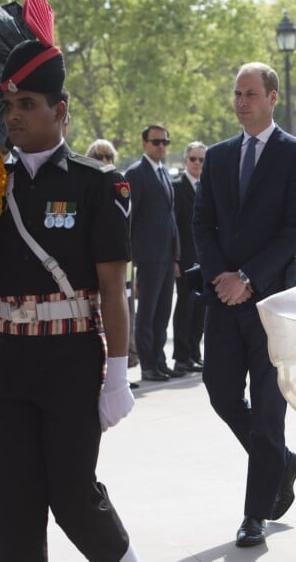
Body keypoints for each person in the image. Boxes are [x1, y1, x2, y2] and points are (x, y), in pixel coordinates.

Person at [0, 0, 139, 561]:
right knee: (9, 505)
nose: (13, 116)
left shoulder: (98, 184)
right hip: (8, 362)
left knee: (73, 497)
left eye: (27, 104)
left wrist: (118, 374)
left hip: (71, 362)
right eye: (9, 105)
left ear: (60, 110)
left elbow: (112, 288)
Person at [193, 61, 296, 547]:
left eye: (251, 93)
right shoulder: (216, 156)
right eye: (237, 93)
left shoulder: (292, 154)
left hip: (272, 305)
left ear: (272, 98)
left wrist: (250, 278)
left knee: (270, 413)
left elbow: (292, 230)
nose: (241, 101)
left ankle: (255, 515)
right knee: (220, 393)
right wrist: (222, 278)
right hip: (223, 301)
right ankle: (283, 461)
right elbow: (202, 224)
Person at [125, 125, 185, 381]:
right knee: (147, 314)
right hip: (147, 257)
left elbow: (170, 218)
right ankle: (148, 364)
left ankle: (159, 360)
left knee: (163, 313)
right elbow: (129, 218)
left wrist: (176, 256)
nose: (161, 146)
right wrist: (133, 258)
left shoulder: (163, 172)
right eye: (156, 141)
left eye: (165, 142)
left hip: (166, 256)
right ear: (144, 144)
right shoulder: (136, 173)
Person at [86, 139, 139, 387]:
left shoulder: (116, 182)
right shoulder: (84, 185)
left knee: (125, 312)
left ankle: (122, 368)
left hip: (122, 266)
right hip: (94, 270)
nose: (104, 159)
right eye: (98, 154)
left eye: (108, 155)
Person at [172, 141, 206, 373]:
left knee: (200, 308)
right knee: (184, 306)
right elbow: (172, 226)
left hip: (205, 258)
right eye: (193, 159)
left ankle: (195, 353)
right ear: (185, 160)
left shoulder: (208, 186)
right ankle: (181, 356)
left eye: (202, 160)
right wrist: (174, 258)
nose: (197, 164)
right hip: (184, 258)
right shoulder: (176, 186)